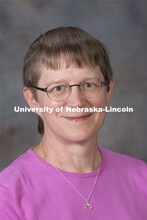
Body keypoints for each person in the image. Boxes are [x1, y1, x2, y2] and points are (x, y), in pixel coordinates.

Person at [0, 27, 147, 220]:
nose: (77, 101)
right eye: (58, 88)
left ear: (108, 91)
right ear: (33, 100)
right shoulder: (8, 196)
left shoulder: (142, 177)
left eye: (89, 85)